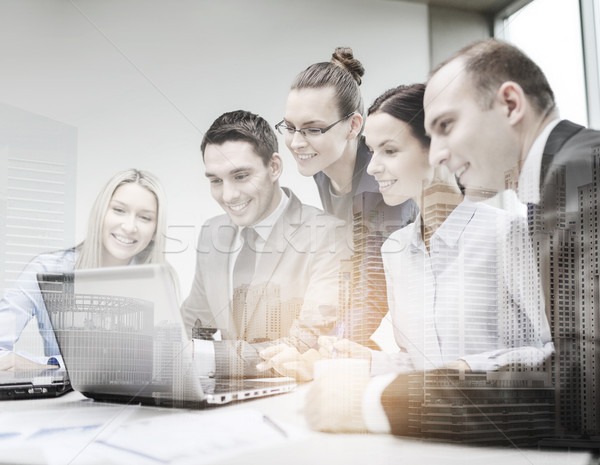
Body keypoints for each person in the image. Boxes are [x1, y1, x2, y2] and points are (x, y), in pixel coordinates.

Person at [303, 82, 552, 435]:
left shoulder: (509, 235)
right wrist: (372, 361)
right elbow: (423, 365)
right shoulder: (395, 251)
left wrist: (467, 367)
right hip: (428, 433)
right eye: (371, 151)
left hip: (500, 435)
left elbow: (555, 355)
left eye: (389, 151)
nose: (372, 168)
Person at [423, 38, 600, 438]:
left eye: (446, 125)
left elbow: (585, 388)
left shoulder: (575, 175)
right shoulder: (566, 172)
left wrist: (397, 401)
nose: (435, 155)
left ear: (510, 104)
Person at [180, 110, 351, 378]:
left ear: (274, 167)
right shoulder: (212, 233)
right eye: (215, 180)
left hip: (292, 399)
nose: (228, 195)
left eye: (240, 176)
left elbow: (304, 345)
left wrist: (203, 356)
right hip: (221, 397)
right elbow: (194, 323)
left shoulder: (329, 235)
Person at [276, 46, 418, 347]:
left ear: (353, 126)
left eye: (312, 129)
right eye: (290, 128)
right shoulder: (320, 166)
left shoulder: (384, 185)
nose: (296, 143)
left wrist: (320, 349)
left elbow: (373, 291)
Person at [0, 168, 169, 370]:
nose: (130, 226)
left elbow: (161, 362)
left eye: (145, 218)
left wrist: (49, 366)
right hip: (65, 401)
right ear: (100, 213)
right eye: (119, 210)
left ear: (154, 231)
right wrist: (51, 367)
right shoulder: (47, 269)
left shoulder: (158, 283)